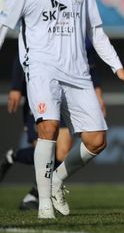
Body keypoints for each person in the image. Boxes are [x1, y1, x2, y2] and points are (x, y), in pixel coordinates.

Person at [0, 0, 124, 219]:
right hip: (41, 68)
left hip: (77, 72)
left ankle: (57, 181)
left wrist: (118, 68)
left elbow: (96, 33)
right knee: (47, 129)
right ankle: (45, 206)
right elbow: (3, 25)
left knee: (96, 140)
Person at [1, 39, 105, 209]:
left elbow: (90, 67)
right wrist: (15, 87)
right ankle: (13, 157)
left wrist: (98, 95)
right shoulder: (43, 23)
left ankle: (34, 196)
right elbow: (24, 52)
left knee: (62, 151)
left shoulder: (79, 30)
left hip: (68, 92)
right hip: (42, 90)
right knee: (43, 148)